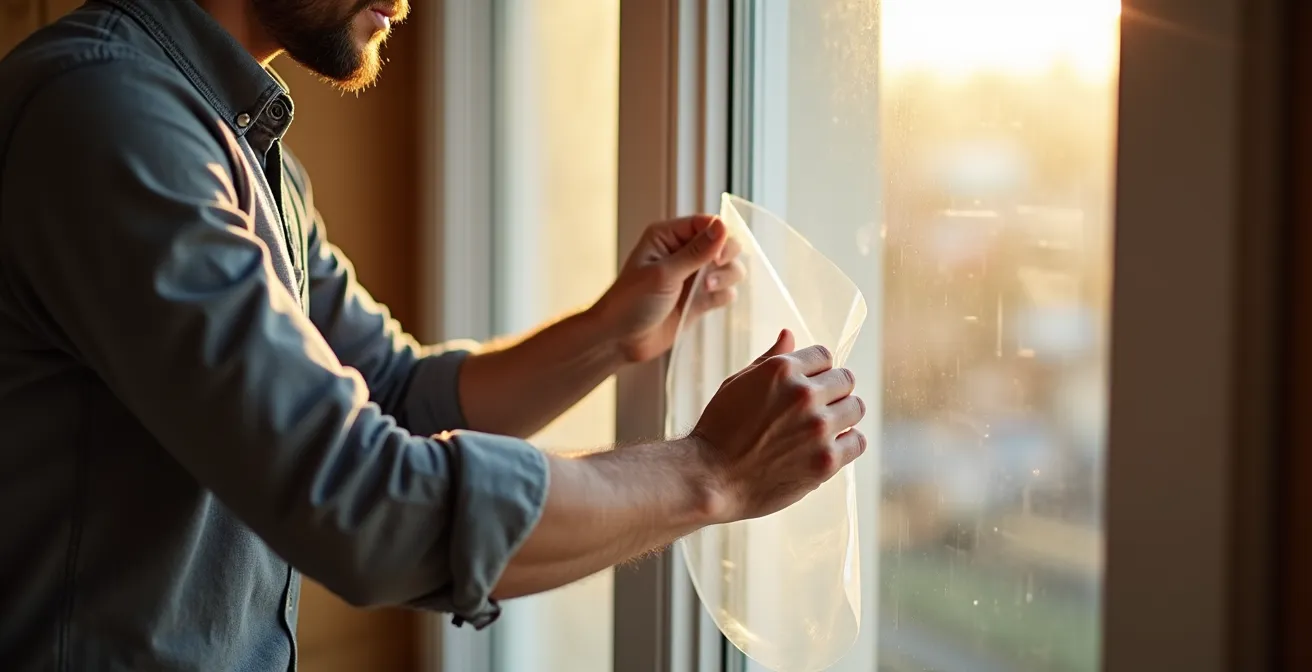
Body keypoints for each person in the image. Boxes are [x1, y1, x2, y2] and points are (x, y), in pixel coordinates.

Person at [0, 0, 866, 669]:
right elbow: (361, 501)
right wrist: (710, 472)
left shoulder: (239, 148)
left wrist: (609, 334)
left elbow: (397, 394)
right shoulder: (107, 119)